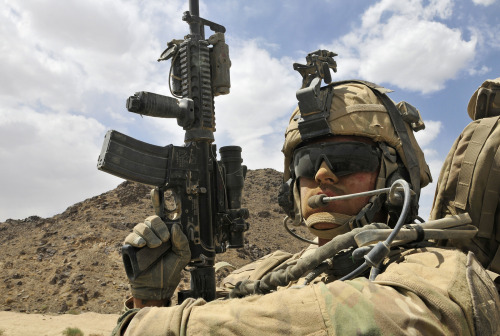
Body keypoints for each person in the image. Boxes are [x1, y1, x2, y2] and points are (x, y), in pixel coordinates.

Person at [112, 79, 500, 335]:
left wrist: (161, 325)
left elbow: (382, 318)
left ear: (396, 178)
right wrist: (150, 296)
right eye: (307, 164)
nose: (324, 176)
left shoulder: (439, 271)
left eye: (348, 160)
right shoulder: (269, 270)